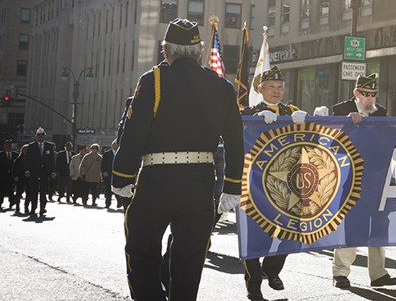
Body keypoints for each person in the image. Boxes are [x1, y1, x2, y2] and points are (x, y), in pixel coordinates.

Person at [111, 18, 245, 300]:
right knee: (189, 260)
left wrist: (121, 176)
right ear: (199, 52)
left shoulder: (152, 81)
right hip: (200, 184)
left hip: (156, 181)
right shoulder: (221, 87)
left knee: (142, 251)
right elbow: (235, 141)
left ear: (166, 51)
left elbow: (134, 132)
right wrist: (232, 187)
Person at [238, 65, 306, 301]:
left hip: (287, 185)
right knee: (254, 237)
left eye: (280, 87)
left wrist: (305, 123)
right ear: (260, 89)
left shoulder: (292, 111)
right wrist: (253, 120)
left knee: (290, 230)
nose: (276, 91)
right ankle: (253, 286)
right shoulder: (250, 112)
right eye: (271, 87)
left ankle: (272, 269)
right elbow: (234, 131)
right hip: (256, 185)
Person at [330, 74, 396, 289]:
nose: (370, 99)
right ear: (356, 93)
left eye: (373, 95)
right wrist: (346, 124)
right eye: (365, 94)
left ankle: (378, 273)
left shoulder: (381, 113)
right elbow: (332, 143)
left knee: (379, 223)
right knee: (352, 223)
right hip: (351, 177)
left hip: (377, 175)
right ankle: (340, 273)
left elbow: (389, 140)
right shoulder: (341, 110)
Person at [21, 127, 57, 217]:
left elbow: (52, 160)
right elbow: (27, 160)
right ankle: (33, 208)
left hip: (45, 172)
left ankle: (42, 208)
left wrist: (53, 171)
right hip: (34, 172)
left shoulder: (49, 146)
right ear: (36, 136)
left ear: (45, 136)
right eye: (38, 135)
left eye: (42, 135)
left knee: (44, 192)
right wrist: (27, 170)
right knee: (34, 192)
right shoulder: (31, 146)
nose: (40, 137)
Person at [0, 140, 17, 210]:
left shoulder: (15, 155)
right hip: (2, 175)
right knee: (1, 190)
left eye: (10, 145)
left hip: (12, 175)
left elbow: (17, 166)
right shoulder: (1, 155)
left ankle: (12, 202)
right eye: (7, 145)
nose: (8, 147)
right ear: (4, 146)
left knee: (11, 190)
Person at [102, 140, 117, 209]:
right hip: (108, 174)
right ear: (112, 146)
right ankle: (107, 203)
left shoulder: (120, 154)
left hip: (117, 175)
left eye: (116, 145)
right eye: (114, 145)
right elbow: (103, 163)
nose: (115, 146)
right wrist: (104, 171)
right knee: (108, 189)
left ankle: (119, 201)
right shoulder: (107, 154)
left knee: (117, 189)